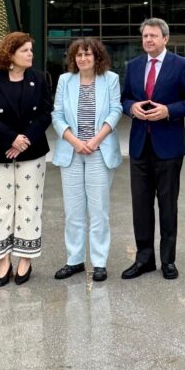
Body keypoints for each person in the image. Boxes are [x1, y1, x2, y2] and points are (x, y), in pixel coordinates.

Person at [120, 17, 185, 280]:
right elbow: (124, 98)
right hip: (139, 146)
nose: (148, 40)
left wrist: (168, 111)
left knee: (167, 206)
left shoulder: (181, 65)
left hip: (169, 146)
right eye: (145, 36)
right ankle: (144, 259)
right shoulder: (133, 66)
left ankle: (168, 260)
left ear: (165, 39)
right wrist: (131, 108)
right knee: (140, 206)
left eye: (153, 36)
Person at [0, 32, 52, 286]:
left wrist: (24, 140)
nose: (31, 54)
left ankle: (25, 259)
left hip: (31, 152)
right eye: (25, 50)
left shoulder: (39, 78)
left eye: (31, 49)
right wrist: (11, 139)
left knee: (29, 205)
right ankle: (3, 261)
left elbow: (45, 113)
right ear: (10, 54)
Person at [51, 38, 122, 283]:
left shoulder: (110, 79)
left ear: (97, 57)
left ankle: (99, 262)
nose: (83, 58)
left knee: (99, 211)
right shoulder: (65, 80)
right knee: (73, 211)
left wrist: (95, 140)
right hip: (71, 152)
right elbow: (57, 114)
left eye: (87, 54)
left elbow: (116, 111)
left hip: (99, 152)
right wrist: (75, 142)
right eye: (79, 55)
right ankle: (75, 260)